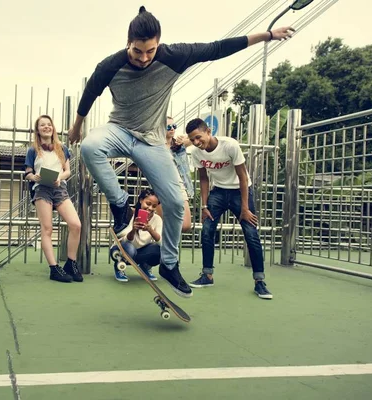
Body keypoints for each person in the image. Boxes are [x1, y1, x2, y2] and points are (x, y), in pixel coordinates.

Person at [68, 6, 292, 298]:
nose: (144, 58)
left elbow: (217, 48)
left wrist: (267, 35)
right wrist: (76, 127)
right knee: (89, 146)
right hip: (120, 130)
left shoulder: (174, 55)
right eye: (138, 51)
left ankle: (170, 265)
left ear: (158, 43)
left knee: (175, 204)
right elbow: (90, 94)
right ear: (128, 43)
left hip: (153, 141)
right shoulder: (110, 65)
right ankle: (120, 204)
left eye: (150, 51)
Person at [185, 118, 273, 299]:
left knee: (251, 234)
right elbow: (203, 179)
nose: (196, 142)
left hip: (240, 191)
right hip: (217, 193)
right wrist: (204, 205)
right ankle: (207, 275)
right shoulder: (196, 152)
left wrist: (246, 208)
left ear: (208, 131)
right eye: (192, 139)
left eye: (198, 137)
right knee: (207, 230)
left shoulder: (230, 146)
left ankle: (259, 282)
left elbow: (242, 177)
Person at [25, 115, 83, 283]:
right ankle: (54, 268)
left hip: (59, 187)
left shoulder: (62, 148)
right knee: (47, 229)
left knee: (76, 224)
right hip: (42, 189)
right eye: (42, 125)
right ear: (37, 129)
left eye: (49, 124)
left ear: (53, 127)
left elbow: (68, 171)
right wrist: (34, 177)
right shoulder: (33, 150)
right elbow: (27, 173)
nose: (46, 127)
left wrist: (59, 177)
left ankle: (71, 263)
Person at [111, 188, 162, 283]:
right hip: (122, 248)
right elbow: (125, 240)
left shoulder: (157, 219)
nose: (150, 208)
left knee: (160, 251)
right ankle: (119, 267)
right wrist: (134, 229)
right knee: (130, 249)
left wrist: (150, 230)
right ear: (141, 200)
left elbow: (160, 242)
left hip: (140, 251)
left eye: (154, 206)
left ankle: (145, 267)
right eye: (148, 203)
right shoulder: (130, 214)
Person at [157, 116, 194, 232]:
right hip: (162, 186)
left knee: (186, 225)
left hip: (180, 186)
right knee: (163, 225)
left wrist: (185, 137)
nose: (172, 129)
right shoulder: (156, 146)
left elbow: (196, 137)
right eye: (168, 127)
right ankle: (164, 248)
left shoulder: (179, 145)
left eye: (174, 126)